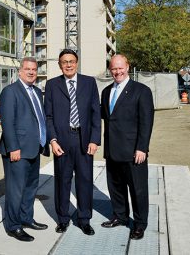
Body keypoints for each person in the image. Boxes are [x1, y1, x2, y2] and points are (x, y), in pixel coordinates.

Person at [44, 49, 101, 235]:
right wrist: (52, 140)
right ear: (59, 65)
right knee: (62, 181)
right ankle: (62, 218)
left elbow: (95, 113)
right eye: (64, 62)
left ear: (77, 63)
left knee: (84, 181)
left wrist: (94, 140)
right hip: (62, 141)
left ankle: (84, 219)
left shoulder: (89, 82)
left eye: (71, 61)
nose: (68, 64)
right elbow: (48, 116)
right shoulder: (52, 85)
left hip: (84, 140)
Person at [101, 54, 154, 240]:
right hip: (112, 151)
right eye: (114, 68)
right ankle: (120, 216)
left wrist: (142, 147)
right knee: (115, 188)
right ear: (110, 70)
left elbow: (146, 122)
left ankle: (140, 224)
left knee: (138, 190)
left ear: (128, 67)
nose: (117, 72)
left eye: (120, 67)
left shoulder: (141, 91)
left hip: (134, 152)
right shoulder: (106, 91)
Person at [0, 57, 49, 242]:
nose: (31, 72)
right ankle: (14, 226)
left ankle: (26, 218)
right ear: (19, 71)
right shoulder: (10, 92)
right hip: (17, 150)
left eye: (34, 69)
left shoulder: (36, 91)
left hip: (34, 148)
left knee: (30, 188)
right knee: (15, 190)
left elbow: (38, 118)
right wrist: (13, 148)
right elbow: (8, 123)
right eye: (27, 69)